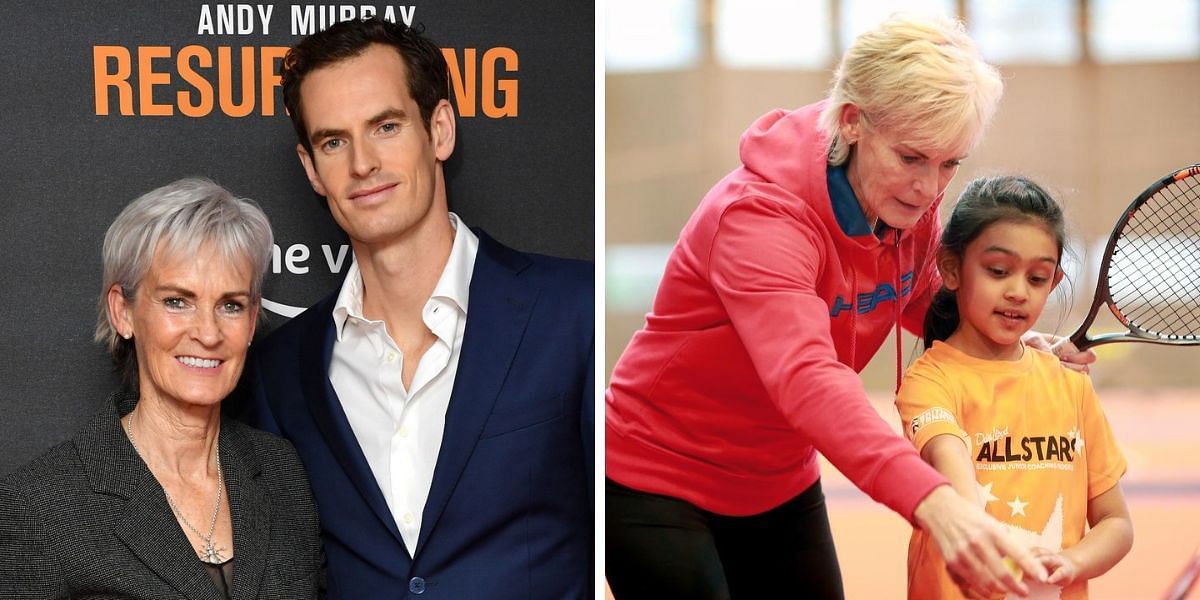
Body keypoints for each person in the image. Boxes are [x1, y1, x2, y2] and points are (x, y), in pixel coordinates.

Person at [605, 15, 1094, 600]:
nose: (929, 188)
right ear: (853, 122)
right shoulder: (760, 218)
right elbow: (807, 376)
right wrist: (935, 501)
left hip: (778, 481)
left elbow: (918, 301)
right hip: (658, 480)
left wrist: (1009, 340)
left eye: (950, 164)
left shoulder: (905, 208)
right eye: (912, 158)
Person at [235, 17, 593, 599]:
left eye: (386, 126)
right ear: (311, 169)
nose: (362, 164)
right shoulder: (279, 371)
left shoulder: (573, 312)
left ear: (440, 130)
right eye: (333, 141)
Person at [0, 178, 323, 598]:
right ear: (123, 312)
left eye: (231, 305)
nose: (208, 333)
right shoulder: (41, 505)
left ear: (252, 320)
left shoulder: (282, 473)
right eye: (177, 301)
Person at [896, 175, 1132, 599]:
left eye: (1037, 278)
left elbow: (1116, 522)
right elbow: (954, 476)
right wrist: (999, 548)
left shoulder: (1070, 384)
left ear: (1055, 282)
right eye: (998, 271)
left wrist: (1072, 562)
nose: (1018, 292)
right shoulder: (930, 382)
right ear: (950, 268)